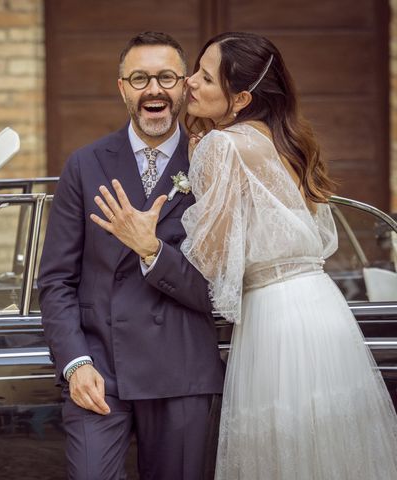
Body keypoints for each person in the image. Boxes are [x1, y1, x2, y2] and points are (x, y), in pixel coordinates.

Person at [96, 31, 397, 479]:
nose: (190, 83)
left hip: (275, 321)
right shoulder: (287, 141)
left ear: (239, 98)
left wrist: (149, 244)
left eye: (205, 78)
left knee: (280, 455)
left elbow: (211, 265)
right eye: (195, 71)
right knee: (328, 452)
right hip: (323, 311)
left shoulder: (222, 146)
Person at [38, 31, 224, 479]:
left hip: (182, 368)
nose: (153, 90)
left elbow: (218, 290)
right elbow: (56, 281)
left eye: (165, 77)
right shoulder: (84, 164)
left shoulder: (213, 163)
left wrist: (151, 251)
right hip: (100, 367)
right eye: (140, 78)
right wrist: (75, 363)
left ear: (183, 87)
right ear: (122, 87)